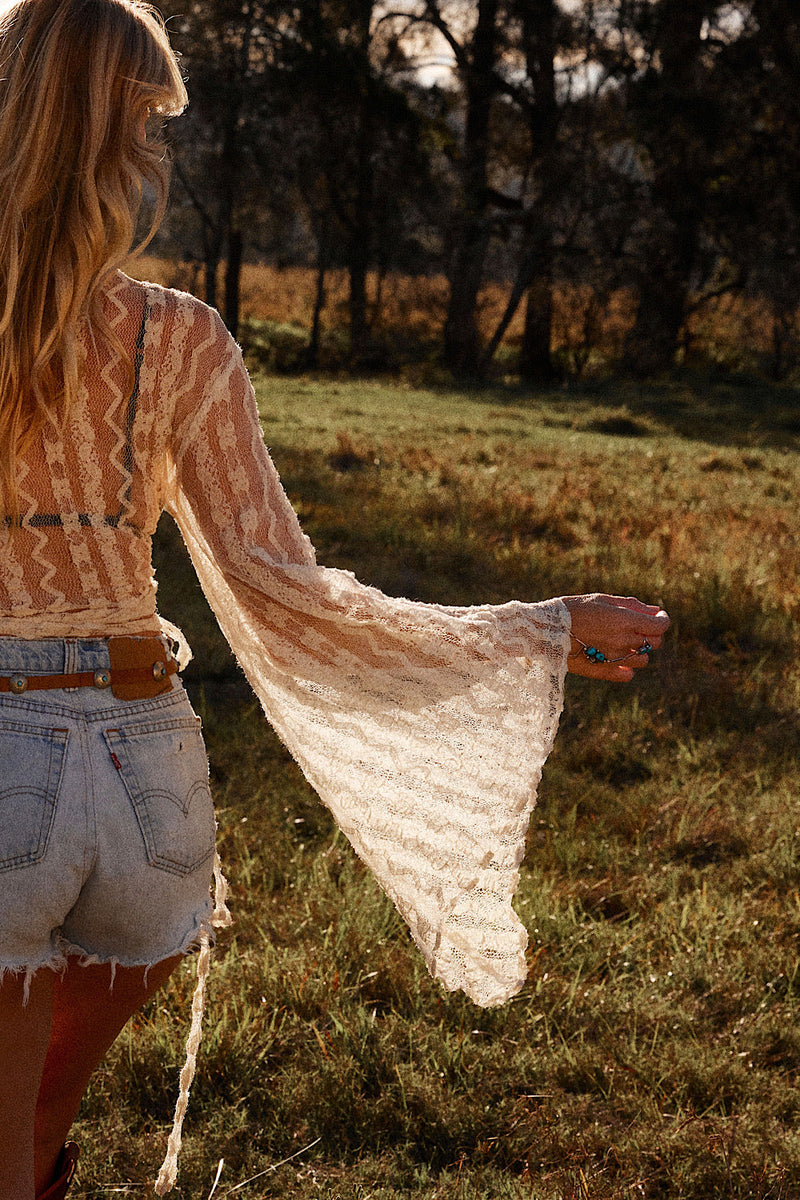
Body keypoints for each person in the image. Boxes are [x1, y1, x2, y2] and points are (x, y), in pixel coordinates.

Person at [0, 1, 670, 1197]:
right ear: (119, 146)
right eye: (147, 128)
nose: (157, 155)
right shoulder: (181, 339)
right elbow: (286, 596)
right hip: (150, 785)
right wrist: (537, 627)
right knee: (37, 1120)